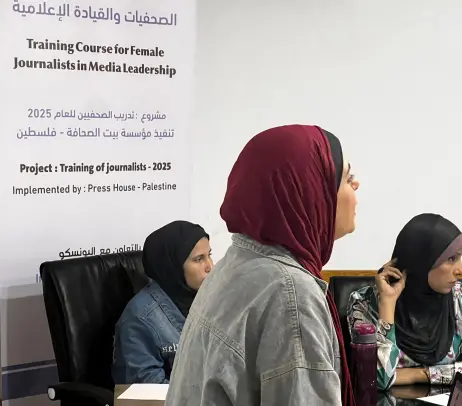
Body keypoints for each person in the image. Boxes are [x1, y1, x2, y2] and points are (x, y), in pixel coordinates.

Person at [165, 125, 359, 406]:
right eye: (347, 178)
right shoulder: (290, 293)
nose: (356, 185)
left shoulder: (235, 264)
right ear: (311, 191)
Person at [347, 213, 462, 390]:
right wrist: (387, 305)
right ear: (421, 260)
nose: (461, 270)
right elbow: (375, 380)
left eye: (459, 258)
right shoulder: (364, 304)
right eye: (451, 259)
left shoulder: (459, 299)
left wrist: (421, 375)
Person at [112, 220, 213, 384]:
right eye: (199, 259)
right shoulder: (139, 319)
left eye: (209, 255)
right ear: (172, 264)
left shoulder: (210, 300)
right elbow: (147, 391)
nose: (210, 266)